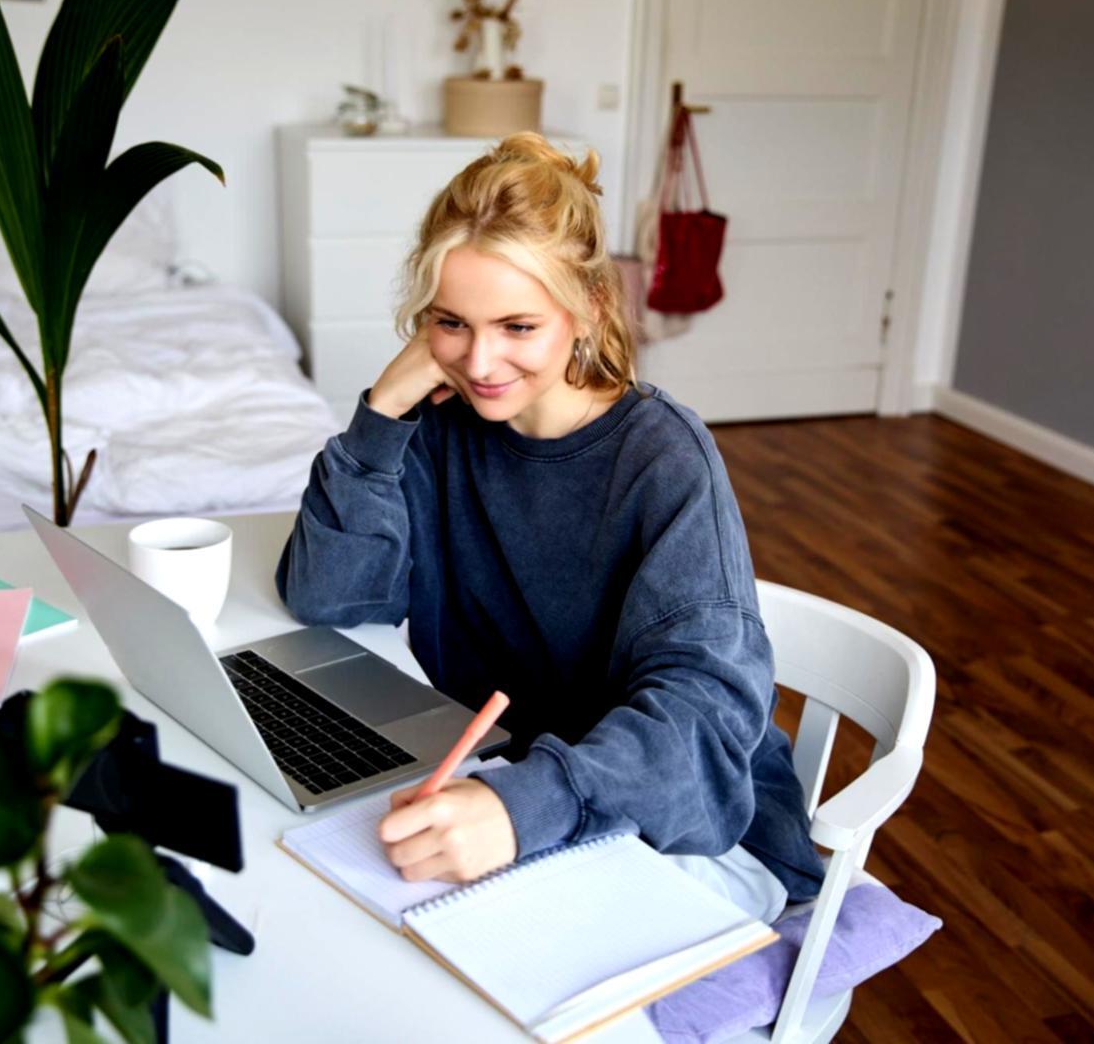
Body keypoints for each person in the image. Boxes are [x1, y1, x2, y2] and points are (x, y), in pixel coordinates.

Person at [275, 132, 824, 919]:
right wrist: (380, 415)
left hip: (679, 827)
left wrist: (527, 804)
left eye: (517, 326)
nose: (480, 361)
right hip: (510, 786)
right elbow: (329, 600)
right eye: (449, 323)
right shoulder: (437, 428)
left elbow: (705, 707)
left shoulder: (661, 456)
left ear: (588, 309)